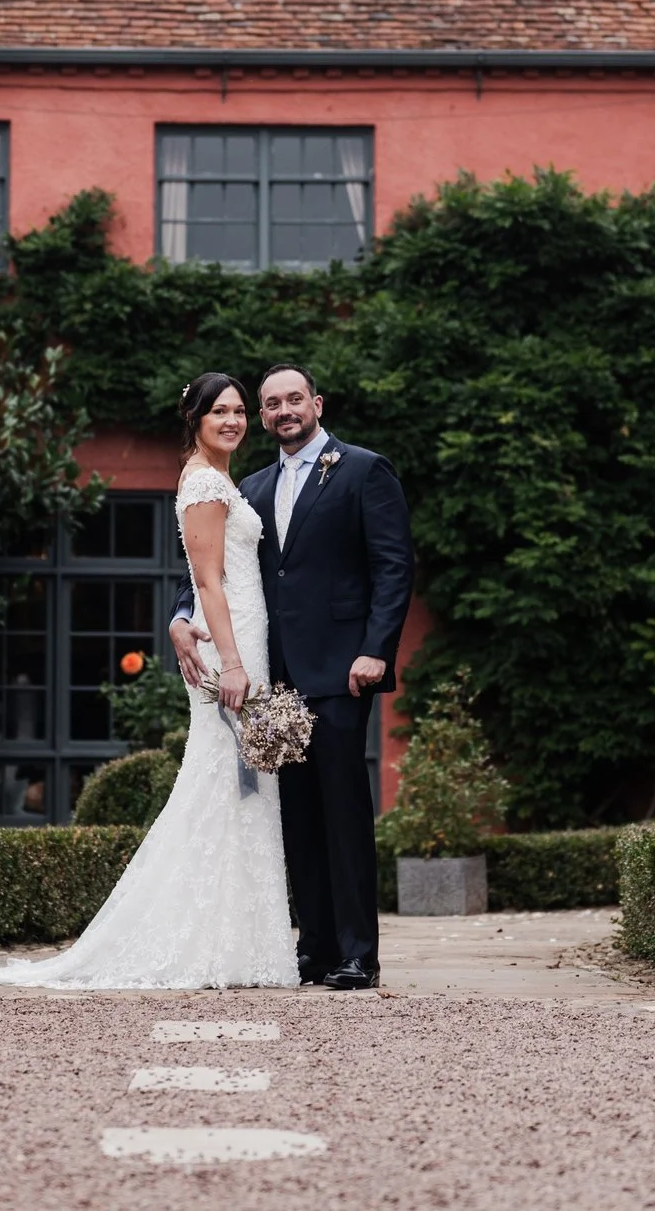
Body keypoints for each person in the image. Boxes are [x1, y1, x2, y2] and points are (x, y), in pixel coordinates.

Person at [0, 373, 299, 989]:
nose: (232, 421)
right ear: (196, 422)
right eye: (219, 412)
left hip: (248, 638)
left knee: (243, 788)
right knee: (221, 781)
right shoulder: (205, 483)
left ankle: (240, 943)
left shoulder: (225, 480)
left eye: (239, 411)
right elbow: (208, 581)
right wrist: (232, 663)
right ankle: (205, 943)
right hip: (233, 646)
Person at [172, 364, 412, 990]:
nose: (283, 411)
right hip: (272, 676)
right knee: (295, 815)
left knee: (343, 811)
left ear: (316, 404)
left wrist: (376, 649)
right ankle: (316, 949)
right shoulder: (247, 484)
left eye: (293, 400)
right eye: (271, 403)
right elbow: (209, 561)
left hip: (341, 670)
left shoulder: (363, 469)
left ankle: (359, 953)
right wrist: (179, 615)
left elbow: (393, 566)